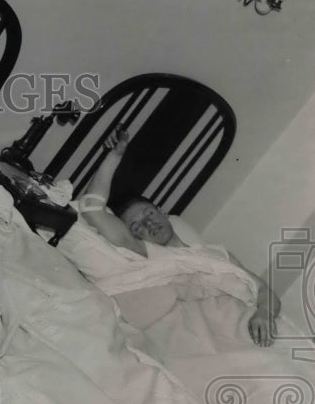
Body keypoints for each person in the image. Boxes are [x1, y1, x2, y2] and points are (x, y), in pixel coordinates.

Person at [81, 125, 280, 346]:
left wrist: (264, 313)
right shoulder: (151, 256)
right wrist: (114, 156)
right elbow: (92, 210)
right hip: (214, 333)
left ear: (162, 212)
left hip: (255, 323)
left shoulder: (216, 254)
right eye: (138, 227)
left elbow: (264, 291)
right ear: (135, 238)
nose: (149, 223)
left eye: (149, 213)